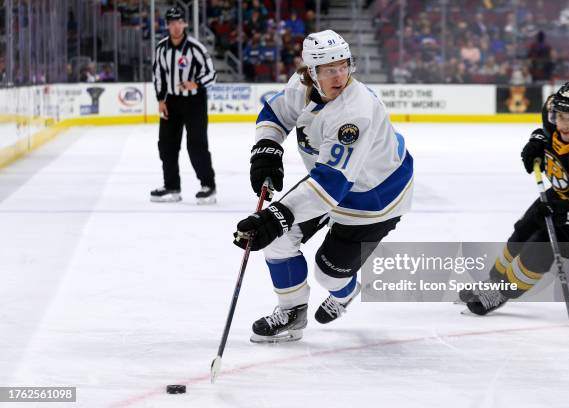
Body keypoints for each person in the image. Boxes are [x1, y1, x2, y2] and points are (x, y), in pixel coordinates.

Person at [233, 30, 414, 343]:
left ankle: (346, 291)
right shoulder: (302, 86)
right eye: (330, 69)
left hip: (375, 197)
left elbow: (331, 188)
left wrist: (275, 216)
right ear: (310, 73)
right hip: (330, 180)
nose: (340, 75)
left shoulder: (354, 113)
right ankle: (292, 312)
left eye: (344, 65)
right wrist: (267, 149)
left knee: (327, 273)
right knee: (279, 239)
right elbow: (274, 113)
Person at [460, 82, 569, 315]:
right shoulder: (553, 111)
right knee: (522, 231)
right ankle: (493, 281)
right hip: (564, 194)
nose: (563, 124)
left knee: (540, 246)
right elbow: (545, 131)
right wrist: (537, 140)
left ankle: (501, 293)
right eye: (560, 116)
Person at [150, 7, 217, 204]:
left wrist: (196, 83)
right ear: (167, 25)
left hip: (194, 101)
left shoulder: (196, 48)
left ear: (185, 24)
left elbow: (212, 74)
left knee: (196, 144)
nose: (176, 26)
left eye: (179, 22)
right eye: (172, 23)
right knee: (166, 145)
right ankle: (172, 186)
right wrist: (161, 100)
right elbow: (158, 75)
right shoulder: (161, 48)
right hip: (171, 101)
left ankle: (208, 186)